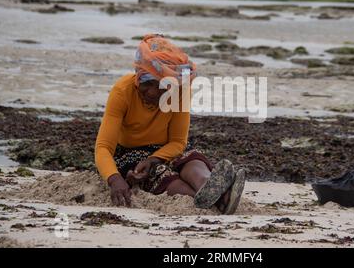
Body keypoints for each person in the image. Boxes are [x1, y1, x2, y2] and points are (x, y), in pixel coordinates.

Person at [95, 34, 245, 214]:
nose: (151, 92)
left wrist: (153, 158)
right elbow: (103, 147)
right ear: (138, 75)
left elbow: (177, 142)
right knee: (158, 174)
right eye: (146, 83)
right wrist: (114, 179)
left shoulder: (179, 92)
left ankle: (208, 184)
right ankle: (215, 200)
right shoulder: (122, 91)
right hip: (130, 153)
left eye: (160, 87)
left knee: (191, 158)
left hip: (167, 148)